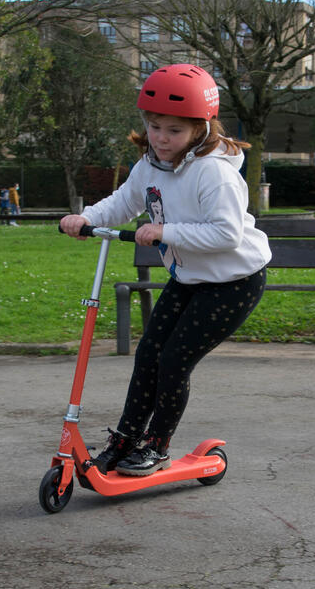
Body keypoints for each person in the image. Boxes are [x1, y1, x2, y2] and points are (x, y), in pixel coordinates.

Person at [60, 63, 271, 476]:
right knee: (148, 356)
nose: (160, 138)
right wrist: (85, 218)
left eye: (173, 130)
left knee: (174, 360)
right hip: (189, 278)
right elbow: (124, 202)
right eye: (155, 126)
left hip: (234, 282)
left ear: (200, 127)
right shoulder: (151, 164)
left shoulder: (214, 173)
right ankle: (126, 441)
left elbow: (226, 235)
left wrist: (165, 232)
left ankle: (156, 447)